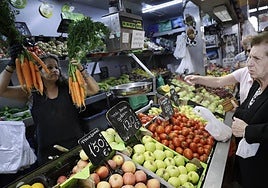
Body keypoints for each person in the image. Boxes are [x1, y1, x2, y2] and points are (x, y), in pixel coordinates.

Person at [0, 49, 99, 166]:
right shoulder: (30, 92)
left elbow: (94, 89)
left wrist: (82, 70)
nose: (55, 70)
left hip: (75, 145)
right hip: (48, 151)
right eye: (50, 67)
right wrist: (11, 66)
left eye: (57, 67)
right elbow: (2, 90)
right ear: (38, 71)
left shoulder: (68, 87)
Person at [231, 31, 268, 188]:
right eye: (250, 57)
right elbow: (245, 109)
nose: (249, 63)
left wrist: (248, 131)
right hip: (250, 169)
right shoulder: (256, 84)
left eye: (257, 59)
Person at [184, 66, 252, 105]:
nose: (250, 62)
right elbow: (218, 81)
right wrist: (197, 79)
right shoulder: (245, 72)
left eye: (256, 58)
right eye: (249, 56)